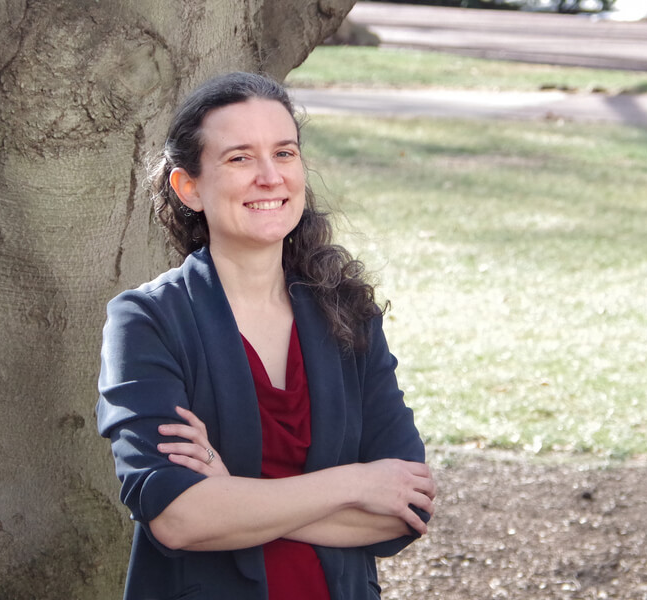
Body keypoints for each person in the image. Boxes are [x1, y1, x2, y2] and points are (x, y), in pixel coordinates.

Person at [96, 72, 435, 600]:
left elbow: (406, 508)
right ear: (189, 187)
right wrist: (356, 485)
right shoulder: (147, 322)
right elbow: (179, 518)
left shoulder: (347, 312)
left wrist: (231, 496)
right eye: (239, 158)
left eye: (284, 153)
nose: (270, 177)